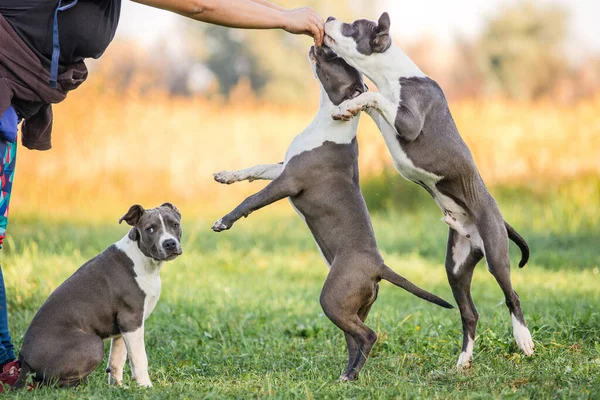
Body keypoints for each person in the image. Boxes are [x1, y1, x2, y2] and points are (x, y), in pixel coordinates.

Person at [0, 0, 324, 389]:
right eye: (156, 228)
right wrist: (285, 17)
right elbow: (201, 5)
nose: (167, 233)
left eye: (171, 224)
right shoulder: (124, 266)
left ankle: (7, 364)